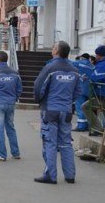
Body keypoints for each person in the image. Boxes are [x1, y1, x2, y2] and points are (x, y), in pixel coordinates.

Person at [32, 41, 80, 184]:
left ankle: (50, 175)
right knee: (66, 143)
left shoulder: (50, 68)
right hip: (66, 111)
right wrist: (67, 102)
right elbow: (78, 92)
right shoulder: (74, 70)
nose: (52, 49)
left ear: (57, 51)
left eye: (54, 47)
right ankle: (70, 175)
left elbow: (38, 87)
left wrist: (40, 101)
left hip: (50, 110)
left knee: (50, 143)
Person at [72, 53, 94, 131]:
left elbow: (67, 63)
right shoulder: (92, 66)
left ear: (81, 58)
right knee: (87, 108)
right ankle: (89, 125)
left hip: (80, 89)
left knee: (80, 108)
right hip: (90, 90)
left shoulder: (78, 63)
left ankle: (81, 126)